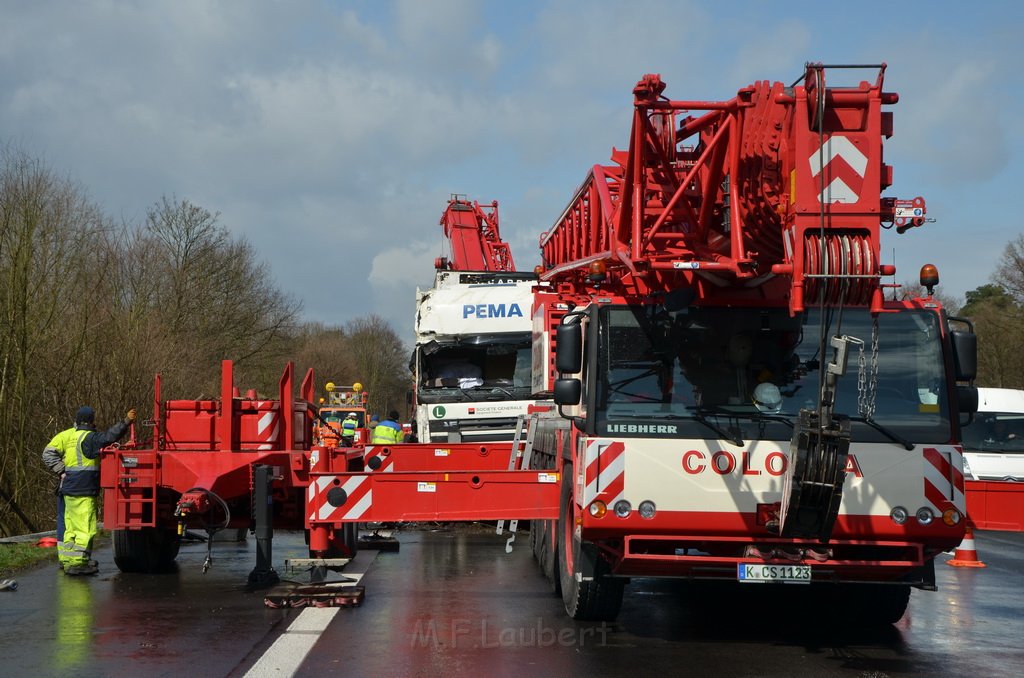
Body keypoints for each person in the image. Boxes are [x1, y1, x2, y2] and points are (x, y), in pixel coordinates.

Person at [42, 405, 136, 575]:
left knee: (71, 527)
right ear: (91, 421)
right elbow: (108, 437)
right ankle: (78, 563)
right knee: (84, 527)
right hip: (83, 490)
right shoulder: (89, 438)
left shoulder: (72, 437)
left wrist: (62, 471)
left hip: (70, 489)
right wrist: (126, 422)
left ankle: (70, 560)